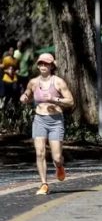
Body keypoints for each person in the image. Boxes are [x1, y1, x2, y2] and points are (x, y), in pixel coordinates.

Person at [19, 54, 74, 195]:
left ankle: (59, 166)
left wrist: (54, 98)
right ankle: (44, 184)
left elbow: (70, 101)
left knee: (56, 157)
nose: (43, 66)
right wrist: (24, 98)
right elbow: (28, 95)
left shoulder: (58, 82)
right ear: (38, 66)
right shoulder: (33, 82)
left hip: (55, 121)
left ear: (51, 66)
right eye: (41, 64)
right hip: (39, 120)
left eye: (46, 64)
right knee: (40, 153)